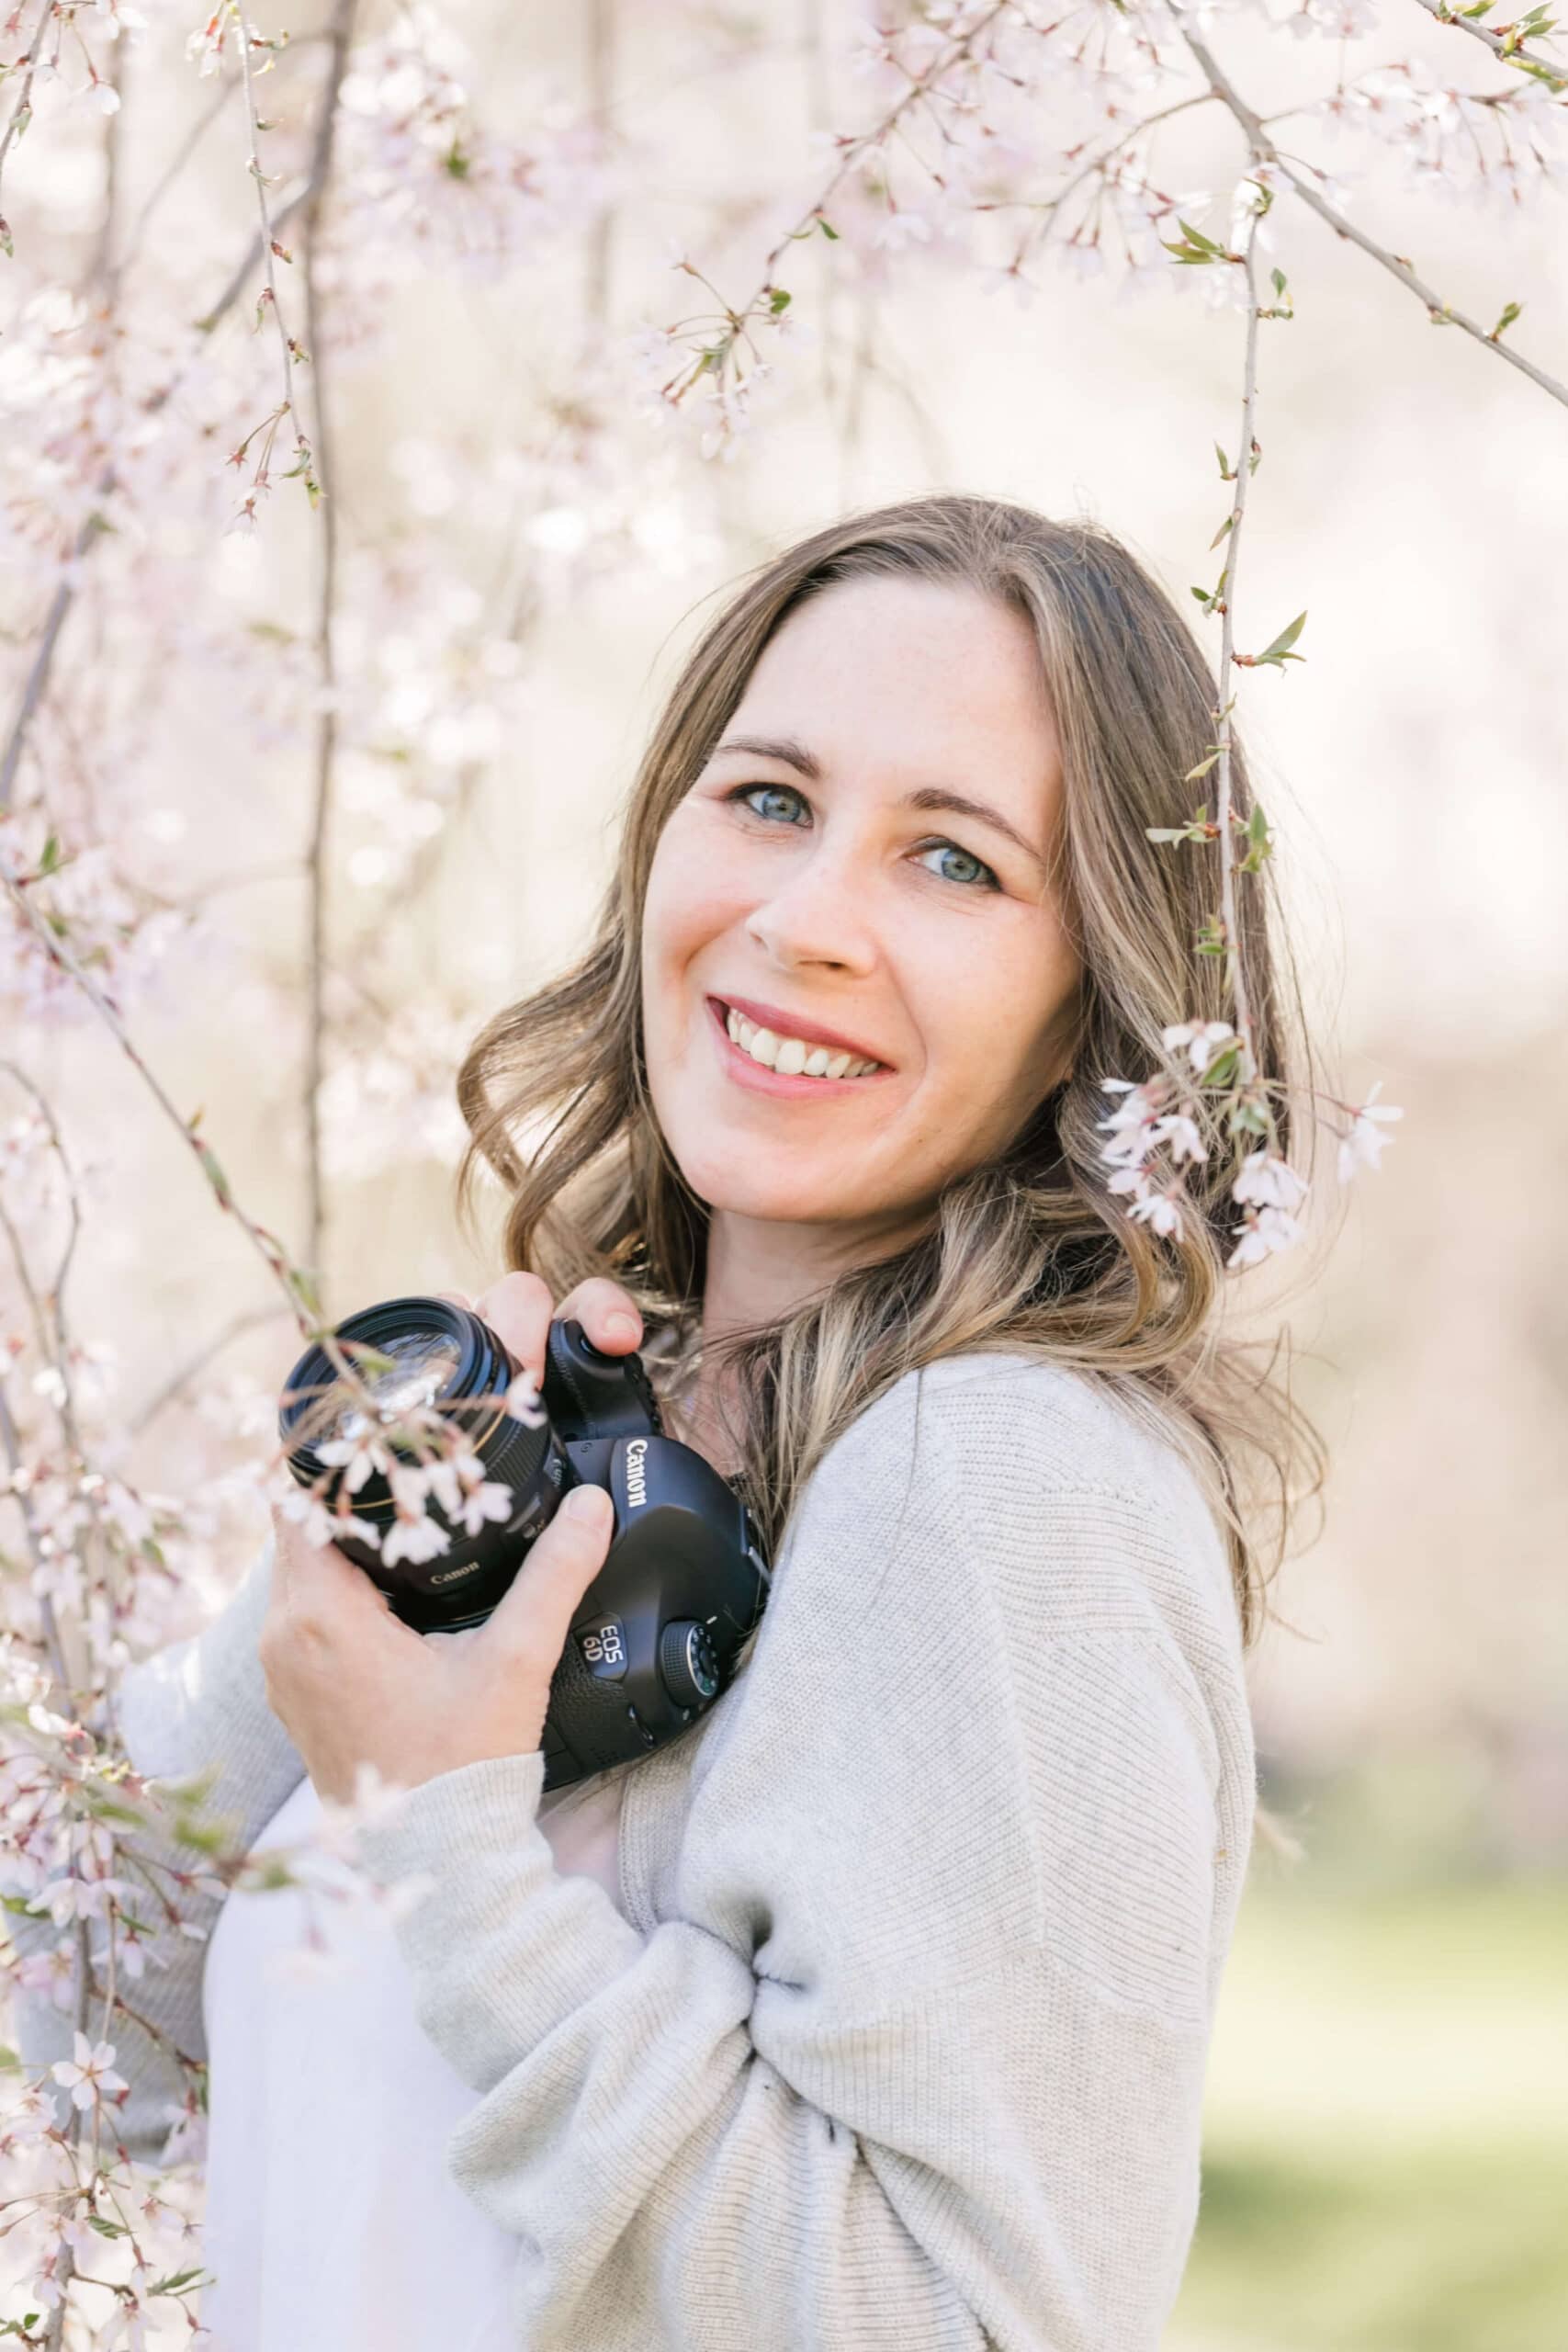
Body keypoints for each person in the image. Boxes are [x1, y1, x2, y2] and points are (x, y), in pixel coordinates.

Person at [17, 492, 1324, 2351]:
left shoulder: (998, 1476)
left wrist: (445, 1826)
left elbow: (960, 2319)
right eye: (769, 801)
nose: (800, 921)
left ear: (1086, 1002)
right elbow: (84, 2023)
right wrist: (358, 1598)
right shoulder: (620, 1441)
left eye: (950, 862)